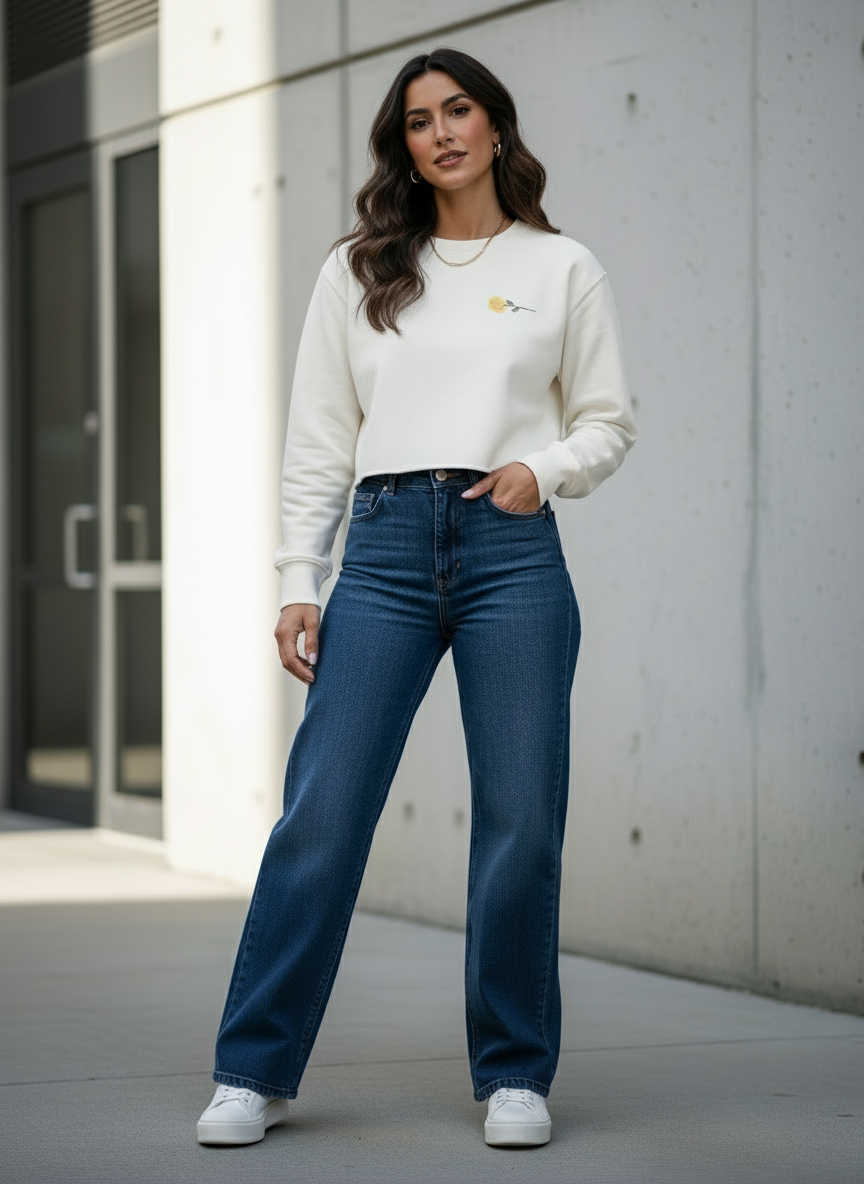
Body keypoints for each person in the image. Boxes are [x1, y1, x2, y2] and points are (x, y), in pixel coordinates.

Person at [196, 45, 636, 1150]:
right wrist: (302, 575)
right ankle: (254, 1067)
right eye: (417, 120)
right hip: (385, 553)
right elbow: (318, 440)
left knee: (522, 822)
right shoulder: (359, 269)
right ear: (403, 144)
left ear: (495, 125)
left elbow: (606, 417)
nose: (439, 132)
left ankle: (515, 1072)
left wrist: (549, 470)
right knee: (323, 813)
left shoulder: (561, 266)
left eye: (458, 110)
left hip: (512, 551)